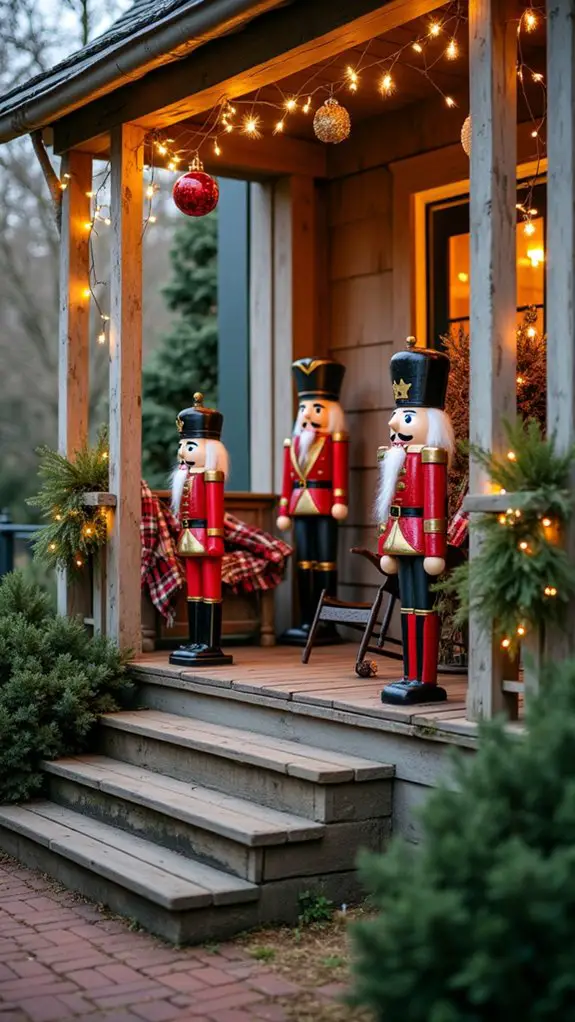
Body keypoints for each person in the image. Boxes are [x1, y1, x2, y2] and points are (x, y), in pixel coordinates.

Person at [375, 337, 454, 704]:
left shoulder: (431, 458)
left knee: (423, 607)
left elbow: (436, 509)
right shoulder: (393, 456)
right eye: (397, 415)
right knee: (407, 607)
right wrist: (383, 547)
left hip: (422, 540)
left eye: (406, 417)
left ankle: (425, 677)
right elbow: (385, 505)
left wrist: (436, 549)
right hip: (398, 537)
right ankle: (408, 673)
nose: (395, 423)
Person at [276, 357, 349, 644]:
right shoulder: (292, 443)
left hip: (325, 503)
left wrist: (340, 499)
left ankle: (326, 621)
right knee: (303, 563)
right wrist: (284, 507)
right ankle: (306, 619)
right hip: (298, 506)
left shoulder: (336, 441)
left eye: (316, 408)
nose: (308, 413)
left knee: (326, 563)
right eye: (304, 407)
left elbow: (340, 473)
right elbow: (287, 478)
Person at [169, 392, 232, 666]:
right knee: (193, 589)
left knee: (210, 589)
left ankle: (209, 642)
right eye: (182, 445)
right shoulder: (185, 476)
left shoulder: (210, 476)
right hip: (189, 537)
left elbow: (215, 510)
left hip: (207, 538)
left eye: (190, 445)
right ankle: (195, 639)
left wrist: (216, 539)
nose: (183, 451)